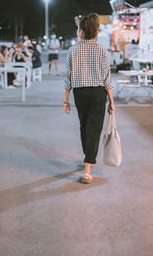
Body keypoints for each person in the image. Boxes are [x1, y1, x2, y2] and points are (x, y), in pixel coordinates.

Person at [64, 13, 115, 184]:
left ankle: (88, 159)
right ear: (96, 32)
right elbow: (107, 78)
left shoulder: (72, 51)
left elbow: (68, 78)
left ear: (81, 32)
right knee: (93, 128)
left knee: (84, 125)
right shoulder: (102, 50)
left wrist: (66, 100)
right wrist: (112, 100)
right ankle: (88, 166)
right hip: (98, 92)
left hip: (80, 93)